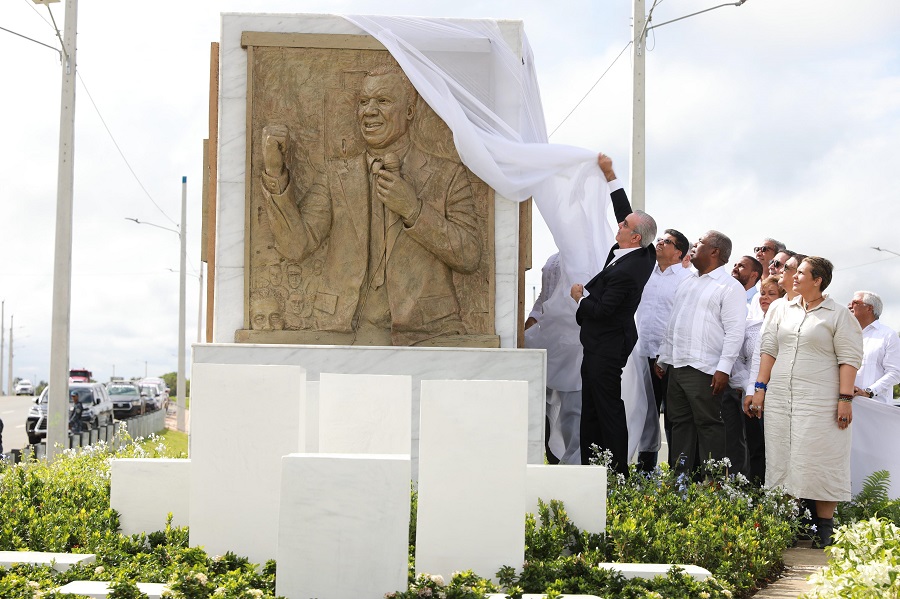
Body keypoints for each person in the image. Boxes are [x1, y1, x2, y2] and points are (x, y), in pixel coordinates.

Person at [260, 65, 481, 346]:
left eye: (383, 101)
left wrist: (414, 210)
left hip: (427, 330)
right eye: (363, 102)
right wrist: (274, 173)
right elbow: (294, 246)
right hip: (343, 328)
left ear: (410, 112)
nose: (369, 111)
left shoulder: (447, 175)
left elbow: (470, 257)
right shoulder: (334, 176)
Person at [746, 257, 863, 547]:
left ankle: (825, 528)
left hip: (821, 400)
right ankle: (787, 524)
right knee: (782, 458)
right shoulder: (779, 308)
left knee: (822, 458)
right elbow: (768, 349)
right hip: (781, 398)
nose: (793, 276)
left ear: (818, 280)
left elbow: (849, 358)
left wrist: (845, 399)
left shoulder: (837, 314)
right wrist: (760, 388)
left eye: (800, 273)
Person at [570, 153, 657, 473]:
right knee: (591, 404)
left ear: (634, 237)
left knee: (606, 407)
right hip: (600, 342)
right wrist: (610, 175)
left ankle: (617, 470)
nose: (618, 224)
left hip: (609, 342)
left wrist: (579, 298)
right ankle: (591, 466)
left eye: (623, 225)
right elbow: (627, 212)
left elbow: (604, 310)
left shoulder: (629, 270)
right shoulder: (641, 249)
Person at [656, 231, 747, 476]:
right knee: (679, 424)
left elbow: (735, 332)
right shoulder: (687, 281)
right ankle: (680, 482)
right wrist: (664, 358)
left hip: (705, 369)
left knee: (709, 426)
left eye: (700, 243)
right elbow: (673, 321)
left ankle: (714, 484)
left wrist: (723, 369)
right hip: (677, 365)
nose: (694, 246)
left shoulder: (730, 287)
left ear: (715, 252)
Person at [634, 228, 691, 471]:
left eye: (666, 242)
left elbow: (682, 322)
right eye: (659, 240)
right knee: (644, 413)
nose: (659, 244)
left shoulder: (687, 280)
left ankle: (677, 474)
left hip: (668, 358)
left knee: (674, 418)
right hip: (639, 354)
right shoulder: (645, 273)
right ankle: (645, 469)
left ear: (679, 252)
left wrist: (665, 358)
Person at [525, 252, 578, 464]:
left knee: (568, 406)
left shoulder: (581, 251)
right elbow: (544, 295)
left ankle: (567, 458)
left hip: (569, 338)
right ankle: (550, 454)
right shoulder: (552, 258)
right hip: (546, 334)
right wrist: (533, 318)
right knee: (543, 402)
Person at [721, 257, 764, 474]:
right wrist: (742, 382)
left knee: (760, 444)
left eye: (742, 266)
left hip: (764, 390)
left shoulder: (755, 302)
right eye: (764, 295)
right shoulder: (727, 292)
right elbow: (739, 351)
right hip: (736, 382)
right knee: (735, 439)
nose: (735, 268)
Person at [849, 291, 900, 404]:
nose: (849, 305)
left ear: (869, 308)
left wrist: (869, 392)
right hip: (843, 407)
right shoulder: (845, 334)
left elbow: (895, 373)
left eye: (855, 302)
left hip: (874, 408)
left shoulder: (888, 335)